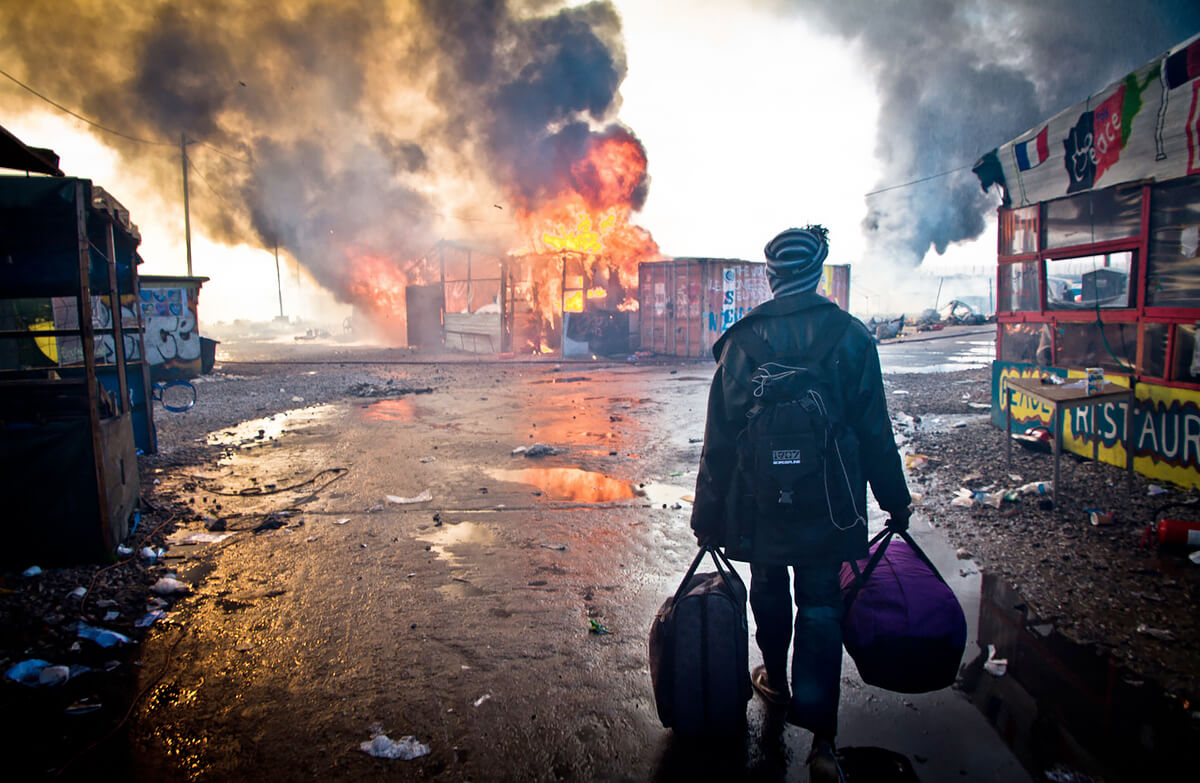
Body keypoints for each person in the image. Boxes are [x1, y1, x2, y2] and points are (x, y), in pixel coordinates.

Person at [690, 225, 911, 782]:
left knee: (768, 584)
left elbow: (718, 441)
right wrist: (895, 500)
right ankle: (822, 744)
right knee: (820, 605)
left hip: (759, 504)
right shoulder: (851, 338)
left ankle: (778, 682)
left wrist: (707, 515)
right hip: (830, 504)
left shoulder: (742, 343)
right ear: (817, 273)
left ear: (772, 277)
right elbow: (875, 431)